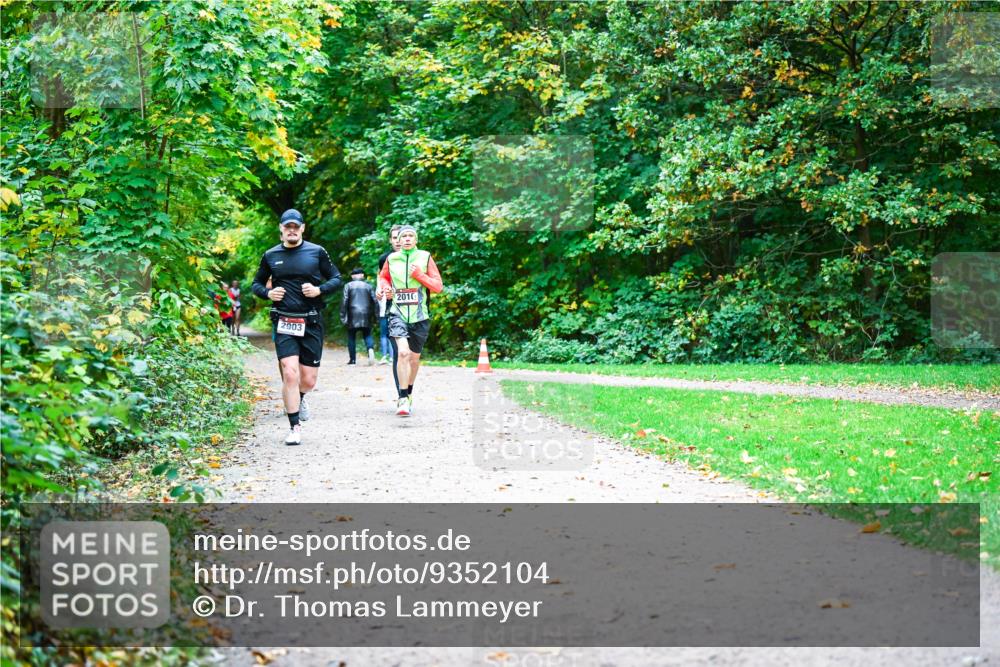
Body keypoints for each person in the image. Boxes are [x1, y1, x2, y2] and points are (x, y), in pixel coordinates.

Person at [252, 209, 342, 445]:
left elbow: (336, 278)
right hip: (284, 320)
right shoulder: (271, 255)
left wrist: (319, 290)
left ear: (302, 228)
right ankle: (294, 427)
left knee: (308, 380)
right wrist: (268, 293)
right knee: (289, 373)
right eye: (287, 226)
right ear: (281, 229)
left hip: (311, 319)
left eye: (296, 226)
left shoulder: (316, 252)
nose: (291, 230)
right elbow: (256, 284)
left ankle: (300, 397)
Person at [377, 225, 443, 417]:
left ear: (415, 240)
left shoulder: (425, 257)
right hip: (397, 313)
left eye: (410, 236)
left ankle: (409, 392)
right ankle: (402, 397)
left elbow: (438, 286)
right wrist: (384, 288)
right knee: (403, 353)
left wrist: (419, 276)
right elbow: (383, 278)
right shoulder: (391, 259)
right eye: (402, 236)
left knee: (414, 359)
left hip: (420, 315)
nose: (405, 239)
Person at [340, 267, 377, 365]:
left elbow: (344, 301)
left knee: (351, 337)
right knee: (367, 334)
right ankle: (370, 351)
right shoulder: (368, 286)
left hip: (352, 314)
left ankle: (352, 360)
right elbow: (375, 301)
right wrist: (375, 316)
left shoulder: (348, 286)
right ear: (362, 276)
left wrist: (343, 316)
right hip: (366, 314)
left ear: (352, 276)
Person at [376, 225, 402, 367]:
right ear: (390, 240)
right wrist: (379, 290)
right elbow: (381, 276)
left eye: (400, 237)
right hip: (392, 303)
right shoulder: (384, 258)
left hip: (414, 304)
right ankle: (394, 359)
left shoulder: (417, 256)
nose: (397, 241)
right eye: (394, 238)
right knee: (394, 334)